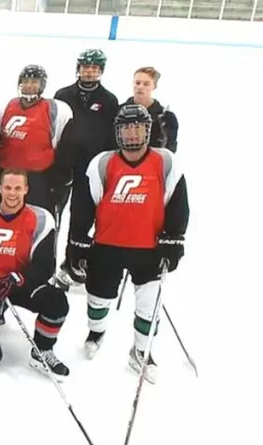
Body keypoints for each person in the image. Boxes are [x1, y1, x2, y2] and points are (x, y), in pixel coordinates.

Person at [66, 104, 189, 384]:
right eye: (126, 128)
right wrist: (79, 241)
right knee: (98, 296)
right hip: (107, 246)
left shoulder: (165, 161)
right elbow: (84, 206)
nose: (132, 133)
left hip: (149, 249)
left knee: (148, 305)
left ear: (148, 130)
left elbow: (179, 205)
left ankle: (142, 352)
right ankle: (96, 331)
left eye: (138, 127)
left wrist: (174, 239)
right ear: (117, 132)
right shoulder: (102, 163)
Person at [0, 168, 70, 378]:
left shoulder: (40, 219)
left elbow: (45, 264)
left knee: (57, 303)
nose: (12, 193)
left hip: (21, 285)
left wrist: (17, 279)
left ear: (26, 189)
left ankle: (42, 350)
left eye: (18, 188)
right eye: (7, 187)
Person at [51, 49, 120, 290]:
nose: (89, 71)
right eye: (85, 66)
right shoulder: (62, 95)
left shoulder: (109, 100)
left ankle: (71, 263)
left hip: (91, 170)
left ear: (101, 70)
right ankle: (45, 263)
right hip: (62, 168)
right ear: (78, 68)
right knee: (54, 217)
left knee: (81, 219)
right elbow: (53, 128)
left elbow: (112, 138)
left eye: (94, 67)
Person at [0, 65, 75, 215]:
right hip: (7, 175)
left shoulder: (55, 110)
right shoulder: (4, 108)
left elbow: (65, 148)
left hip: (39, 179)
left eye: (34, 82)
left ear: (42, 85)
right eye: (25, 81)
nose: (29, 85)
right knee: (6, 219)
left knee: (37, 220)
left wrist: (59, 180)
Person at [125, 66, 178, 152]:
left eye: (146, 84)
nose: (140, 87)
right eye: (137, 83)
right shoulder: (119, 111)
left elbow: (170, 150)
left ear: (154, 86)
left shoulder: (165, 117)